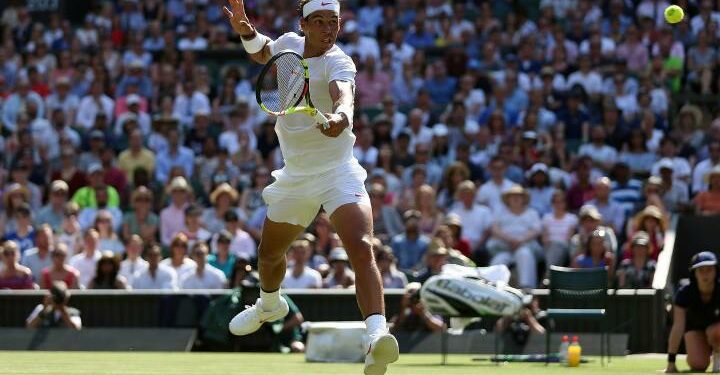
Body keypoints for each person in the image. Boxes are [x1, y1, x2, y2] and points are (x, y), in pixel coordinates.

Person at [225, 2, 401, 366]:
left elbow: (344, 94)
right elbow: (262, 53)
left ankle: (376, 335)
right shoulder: (288, 44)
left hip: (338, 171)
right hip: (296, 176)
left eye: (333, 22)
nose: (327, 29)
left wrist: (342, 116)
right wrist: (245, 29)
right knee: (269, 254)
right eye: (318, 22)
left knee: (361, 245)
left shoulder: (340, 61)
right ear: (303, 25)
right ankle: (269, 306)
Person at [666, 252, 720, 373]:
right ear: (694, 273)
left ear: (716, 271)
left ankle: (718, 356)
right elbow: (678, 327)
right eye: (701, 270)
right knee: (698, 364)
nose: (705, 274)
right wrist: (671, 362)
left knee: (716, 332)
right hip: (695, 328)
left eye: (709, 269)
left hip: (717, 330)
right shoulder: (684, 293)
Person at [487, 185, 542, 289]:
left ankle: (527, 289)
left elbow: (536, 230)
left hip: (526, 246)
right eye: (513, 196)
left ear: (524, 199)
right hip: (503, 247)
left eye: (519, 196)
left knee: (524, 254)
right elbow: (494, 228)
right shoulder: (500, 213)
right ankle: (491, 289)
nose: (516, 198)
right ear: (508, 199)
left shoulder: (532, 213)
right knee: (499, 260)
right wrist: (509, 240)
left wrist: (520, 240)